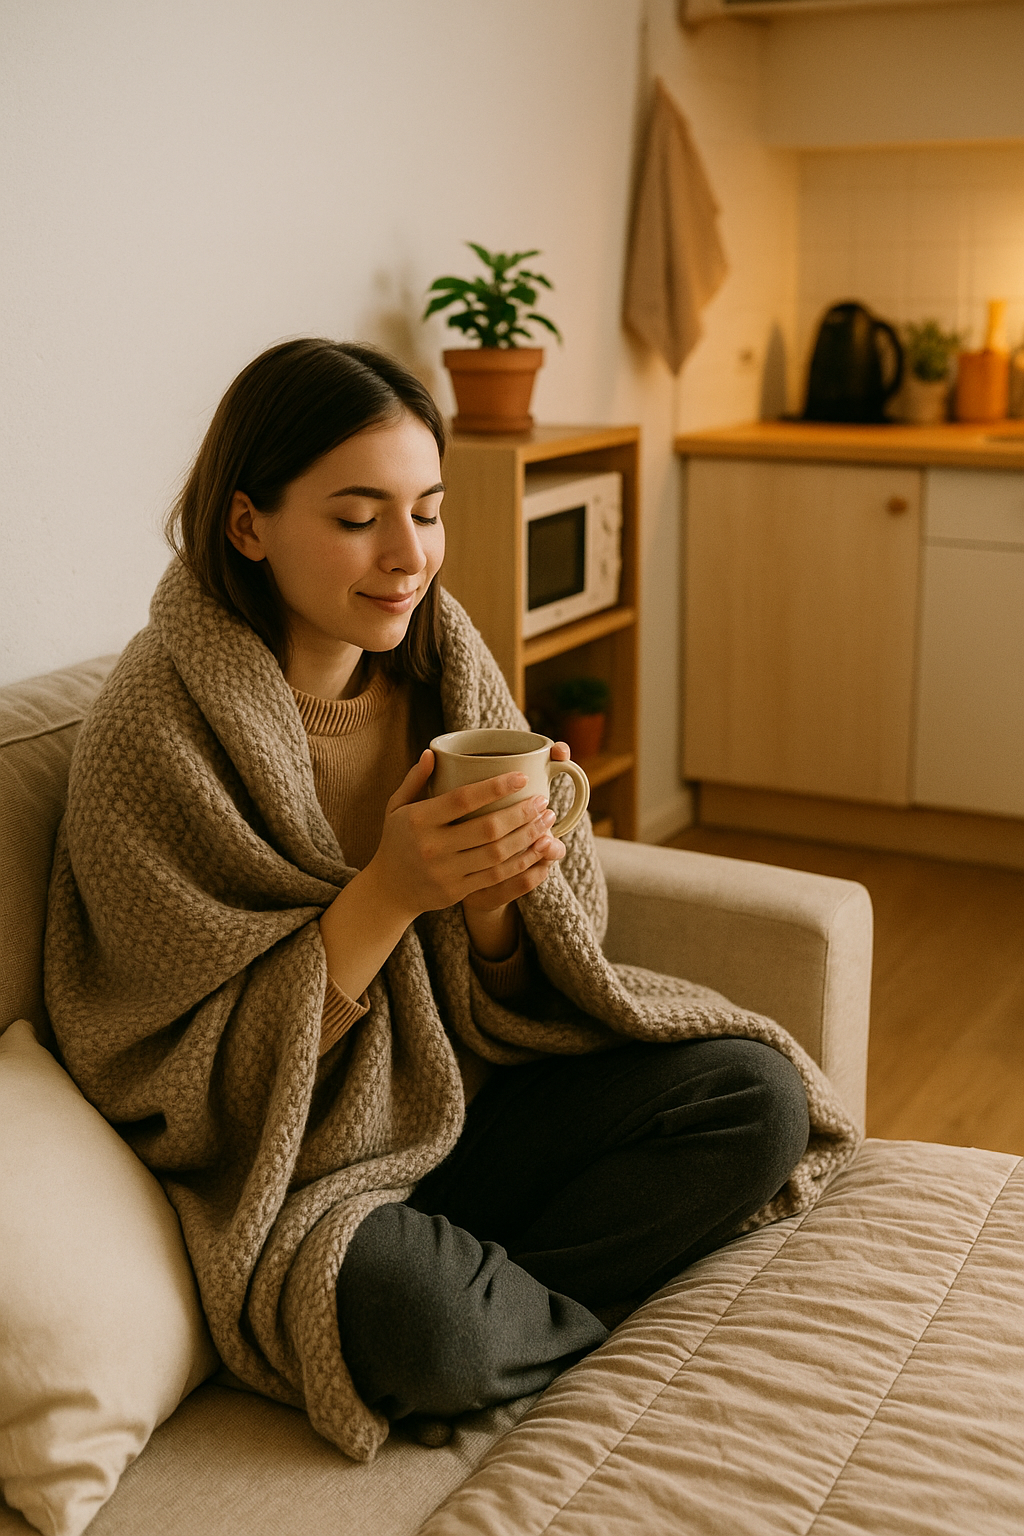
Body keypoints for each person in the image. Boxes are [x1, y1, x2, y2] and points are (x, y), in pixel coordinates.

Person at [45, 339, 857, 1461]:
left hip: (469, 1098)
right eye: (357, 516)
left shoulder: (443, 656)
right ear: (248, 525)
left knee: (754, 1096)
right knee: (423, 1326)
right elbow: (162, 1066)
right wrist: (389, 892)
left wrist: (489, 905)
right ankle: (510, 1321)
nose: (406, 556)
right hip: (309, 1165)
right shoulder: (155, 731)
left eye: (426, 512)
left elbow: (538, 974)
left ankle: (506, 1316)